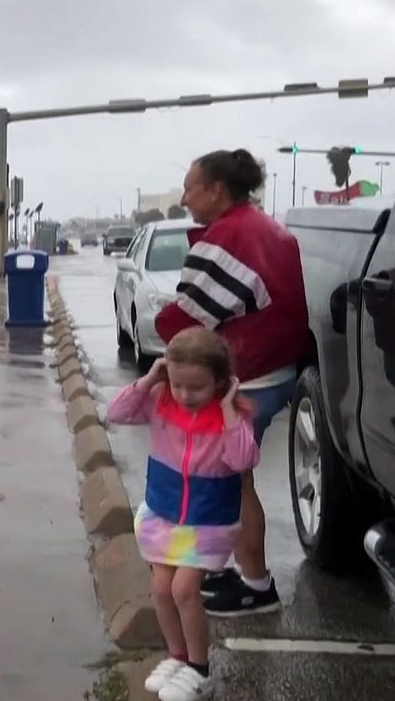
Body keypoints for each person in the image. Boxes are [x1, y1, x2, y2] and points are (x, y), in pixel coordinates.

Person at [155, 148, 309, 617]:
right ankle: (219, 567)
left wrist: (168, 333)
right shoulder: (263, 227)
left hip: (251, 378)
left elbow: (184, 321)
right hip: (275, 369)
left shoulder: (228, 238)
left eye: (189, 187)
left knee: (232, 483)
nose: (184, 198)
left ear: (216, 190)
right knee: (227, 482)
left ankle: (257, 585)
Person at [107, 328, 259, 701]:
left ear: (220, 381)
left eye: (197, 387)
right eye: (177, 385)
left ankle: (199, 669)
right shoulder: (160, 400)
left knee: (184, 590)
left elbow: (243, 460)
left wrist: (227, 413)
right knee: (161, 590)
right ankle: (178, 657)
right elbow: (117, 412)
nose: (185, 395)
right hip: (164, 513)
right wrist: (149, 380)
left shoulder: (232, 417)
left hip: (208, 520)